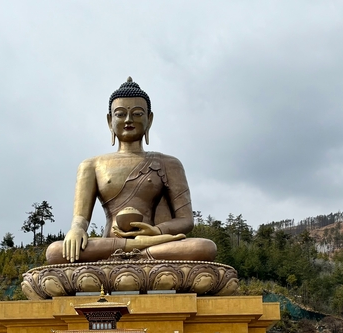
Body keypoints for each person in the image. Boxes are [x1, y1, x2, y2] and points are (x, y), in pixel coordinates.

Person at [46, 77, 217, 264]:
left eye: (137, 113)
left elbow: (185, 220)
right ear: (110, 121)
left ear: (149, 119)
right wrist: (77, 229)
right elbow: (80, 218)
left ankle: (129, 257)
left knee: (204, 248)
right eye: (120, 114)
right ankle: (133, 253)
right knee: (55, 251)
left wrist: (157, 232)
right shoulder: (92, 165)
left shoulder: (169, 163)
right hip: (112, 244)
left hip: (154, 243)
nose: (128, 120)